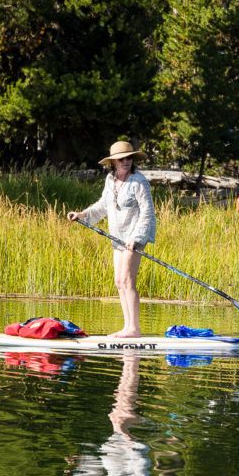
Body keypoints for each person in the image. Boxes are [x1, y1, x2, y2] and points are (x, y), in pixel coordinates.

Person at [67, 141, 156, 338]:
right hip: (117, 238)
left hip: (134, 238)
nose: (126, 161)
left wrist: (137, 237)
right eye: (121, 159)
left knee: (127, 280)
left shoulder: (139, 182)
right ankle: (127, 327)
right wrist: (82, 214)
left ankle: (134, 329)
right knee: (118, 281)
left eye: (129, 158)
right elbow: (103, 205)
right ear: (113, 162)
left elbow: (147, 213)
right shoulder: (110, 179)